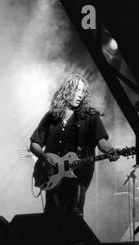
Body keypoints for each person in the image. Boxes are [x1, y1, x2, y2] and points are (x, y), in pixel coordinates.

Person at [30, 74, 119, 220]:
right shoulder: (52, 117)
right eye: (77, 90)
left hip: (78, 172)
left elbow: (101, 139)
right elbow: (34, 143)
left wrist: (110, 150)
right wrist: (44, 157)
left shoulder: (90, 116)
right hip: (52, 174)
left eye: (83, 92)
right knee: (52, 215)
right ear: (68, 90)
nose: (80, 95)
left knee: (74, 213)